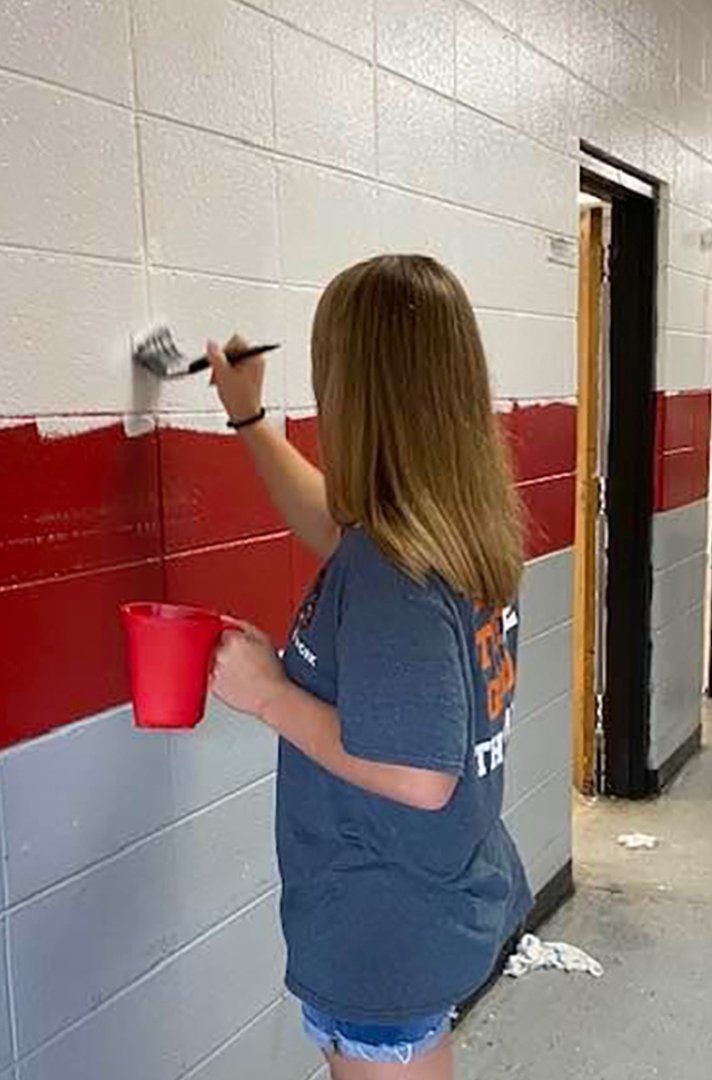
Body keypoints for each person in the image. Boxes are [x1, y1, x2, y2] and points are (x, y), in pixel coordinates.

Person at [206, 255, 532, 1080]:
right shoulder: (447, 532)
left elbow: (421, 776)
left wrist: (270, 695)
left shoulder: (394, 573)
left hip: (384, 927)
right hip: (423, 905)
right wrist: (250, 420)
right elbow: (332, 527)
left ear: (358, 395)